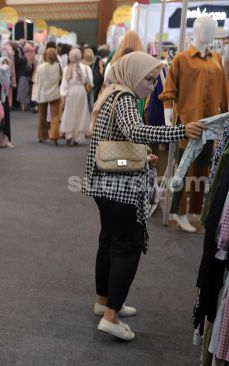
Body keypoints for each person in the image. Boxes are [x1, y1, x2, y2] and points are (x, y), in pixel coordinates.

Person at [83, 52, 205, 341]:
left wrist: (138, 157)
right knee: (128, 245)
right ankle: (111, 316)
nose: (153, 87)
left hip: (104, 185)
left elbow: (109, 149)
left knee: (109, 242)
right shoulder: (125, 97)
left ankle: (104, 301)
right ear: (133, 74)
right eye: (149, 80)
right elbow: (134, 130)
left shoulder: (109, 92)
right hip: (120, 191)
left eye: (154, 80)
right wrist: (180, 131)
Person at [60, 49, 93, 145]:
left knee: (69, 113)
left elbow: (64, 82)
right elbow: (90, 81)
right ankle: (78, 137)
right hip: (81, 91)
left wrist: (63, 94)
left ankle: (69, 135)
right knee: (81, 114)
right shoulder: (85, 68)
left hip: (71, 91)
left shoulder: (67, 68)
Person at [35, 49, 62, 145]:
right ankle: (54, 136)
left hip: (42, 93)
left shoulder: (40, 67)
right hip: (55, 93)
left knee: (42, 115)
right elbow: (60, 79)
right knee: (55, 116)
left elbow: (37, 81)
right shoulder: (58, 66)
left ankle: (41, 136)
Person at [0, 57, 14, 148]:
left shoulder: (8, 75)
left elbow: (7, 89)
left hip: (5, 100)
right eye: (3, 63)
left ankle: (5, 140)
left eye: (6, 63)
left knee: (6, 120)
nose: (5, 65)